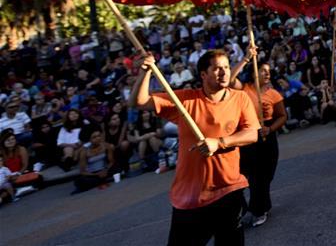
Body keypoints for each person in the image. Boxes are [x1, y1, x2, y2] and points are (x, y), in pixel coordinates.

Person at [132, 49, 260, 246]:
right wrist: (146, 71)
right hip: (190, 196)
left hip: (228, 190)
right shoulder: (185, 100)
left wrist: (219, 143)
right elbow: (139, 102)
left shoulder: (240, 98)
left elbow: (252, 134)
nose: (224, 72)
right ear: (203, 74)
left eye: (226, 67)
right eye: (217, 68)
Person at [230, 48, 287, 228]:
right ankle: (255, 209)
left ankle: (260, 208)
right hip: (247, 137)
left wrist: (270, 129)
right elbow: (230, 79)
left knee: (265, 177)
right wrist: (247, 58)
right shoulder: (244, 89)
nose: (267, 74)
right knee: (249, 177)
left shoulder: (274, 94)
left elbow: (282, 116)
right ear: (254, 72)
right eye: (263, 71)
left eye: (269, 72)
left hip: (267, 138)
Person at [72, 126, 114, 194]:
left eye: (99, 136)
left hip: (105, 170)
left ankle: (99, 181)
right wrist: (97, 174)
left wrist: (105, 170)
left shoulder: (106, 146)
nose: (98, 138)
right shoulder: (84, 151)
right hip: (92, 174)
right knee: (79, 181)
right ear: (89, 139)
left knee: (118, 167)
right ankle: (101, 180)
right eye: (94, 137)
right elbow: (82, 172)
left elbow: (111, 162)